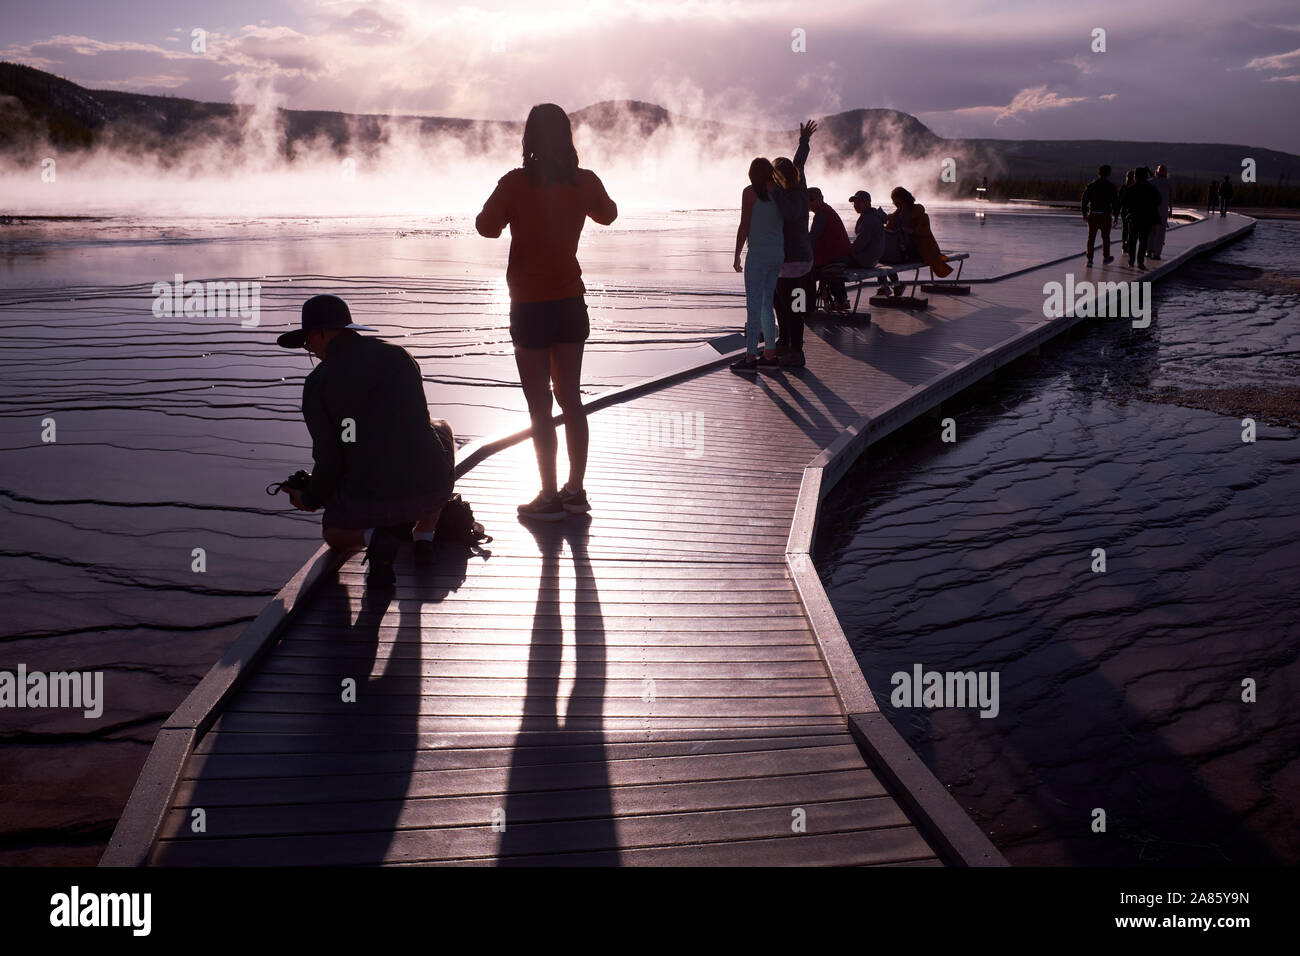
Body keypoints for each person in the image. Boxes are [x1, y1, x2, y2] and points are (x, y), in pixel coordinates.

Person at [475, 103, 617, 521]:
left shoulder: (516, 183)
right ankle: (575, 491)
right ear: (567, 136)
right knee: (570, 398)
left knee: (539, 406)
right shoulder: (584, 181)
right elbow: (608, 215)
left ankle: (549, 496)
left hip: (530, 305)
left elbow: (486, 226)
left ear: (529, 138)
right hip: (569, 300)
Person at [276, 294, 456, 587]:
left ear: (320, 333)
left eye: (308, 344)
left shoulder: (318, 383)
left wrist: (309, 498)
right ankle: (425, 535)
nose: (312, 351)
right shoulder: (400, 356)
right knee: (441, 428)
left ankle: (374, 537)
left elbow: (329, 458)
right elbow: (415, 427)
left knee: (332, 533)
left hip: (369, 504)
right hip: (431, 494)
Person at [769, 120, 818, 368]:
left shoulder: (795, 194)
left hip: (796, 262)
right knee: (781, 303)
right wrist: (804, 140)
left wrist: (774, 192)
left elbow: (788, 214)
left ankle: (796, 350)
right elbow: (799, 161)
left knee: (794, 308)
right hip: (787, 261)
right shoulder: (798, 180)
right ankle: (785, 342)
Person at [731, 157, 784, 372]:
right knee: (766, 304)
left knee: (753, 307)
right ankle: (769, 354)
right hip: (777, 254)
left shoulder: (750, 192)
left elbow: (744, 225)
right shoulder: (779, 191)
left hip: (759, 255)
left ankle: (751, 356)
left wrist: (736, 255)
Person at [881, 187, 953, 281]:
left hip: (921, 251)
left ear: (906, 200)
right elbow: (889, 230)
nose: (898, 206)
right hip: (904, 249)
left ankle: (893, 285)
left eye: (900, 203)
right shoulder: (896, 215)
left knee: (887, 260)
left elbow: (925, 231)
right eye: (896, 203)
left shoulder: (919, 213)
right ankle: (890, 285)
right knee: (881, 259)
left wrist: (910, 231)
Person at [807, 187, 852, 312]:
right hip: (840, 254)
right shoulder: (827, 210)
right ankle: (840, 299)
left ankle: (803, 306)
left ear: (820, 199)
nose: (809, 203)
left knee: (805, 273)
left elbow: (812, 240)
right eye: (808, 200)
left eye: (811, 200)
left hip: (834, 256)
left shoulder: (821, 215)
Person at [848, 189, 898, 295]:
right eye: (854, 203)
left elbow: (861, 242)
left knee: (835, 263)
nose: (856, 205)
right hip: (873, 257)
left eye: (859, 202)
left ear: (868, 203)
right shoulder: (870, 216)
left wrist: (847, 250)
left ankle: (840, 298)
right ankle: (886, 287)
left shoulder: (869, 219)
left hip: (866, 259)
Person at [1080, 164, 1119, 266]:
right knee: (1106, 237)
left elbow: (1084, 200)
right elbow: (1115, 203)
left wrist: (1084, 213)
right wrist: (1116, 216)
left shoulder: (1091, 185)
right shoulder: (1111, 187)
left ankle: (1089, 259)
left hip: (1093, 215)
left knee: (1091, 238)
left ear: (1098, 173)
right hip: (1105, 216)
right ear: (1109, 174)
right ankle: (1106, 257)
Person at [1126, 167, 1162, 270]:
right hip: (1147, 218)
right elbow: (1159, 200)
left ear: (1136, 176)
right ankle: (1140, 262)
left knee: (1132, 240)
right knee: (1143, 241)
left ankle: (1131, 261)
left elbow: (1124, 202)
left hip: (1134, 217)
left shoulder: (1131, 188)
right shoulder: (1151, 188)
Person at [1147, 164, 1173, 259]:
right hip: (1163, 211)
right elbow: (1170, 198)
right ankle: (1157, 254)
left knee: (1150, 232)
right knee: (1160, 233)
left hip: (1151, 210)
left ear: (1157, 171)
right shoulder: (1168, 183)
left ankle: (1148, 251)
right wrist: (1171, 210)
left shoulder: (1150, 182)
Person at [1116, 169, 1137, 260]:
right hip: (1125, 211)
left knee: (1130, 230)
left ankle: (1127, 245)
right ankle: (1125, 245)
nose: (1128, 179)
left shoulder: (1130, 187)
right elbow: (1119, 201)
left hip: (1131, 211)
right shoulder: (1124, 187)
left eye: (1130, 177)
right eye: (1128, 177)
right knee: (1126, 228)